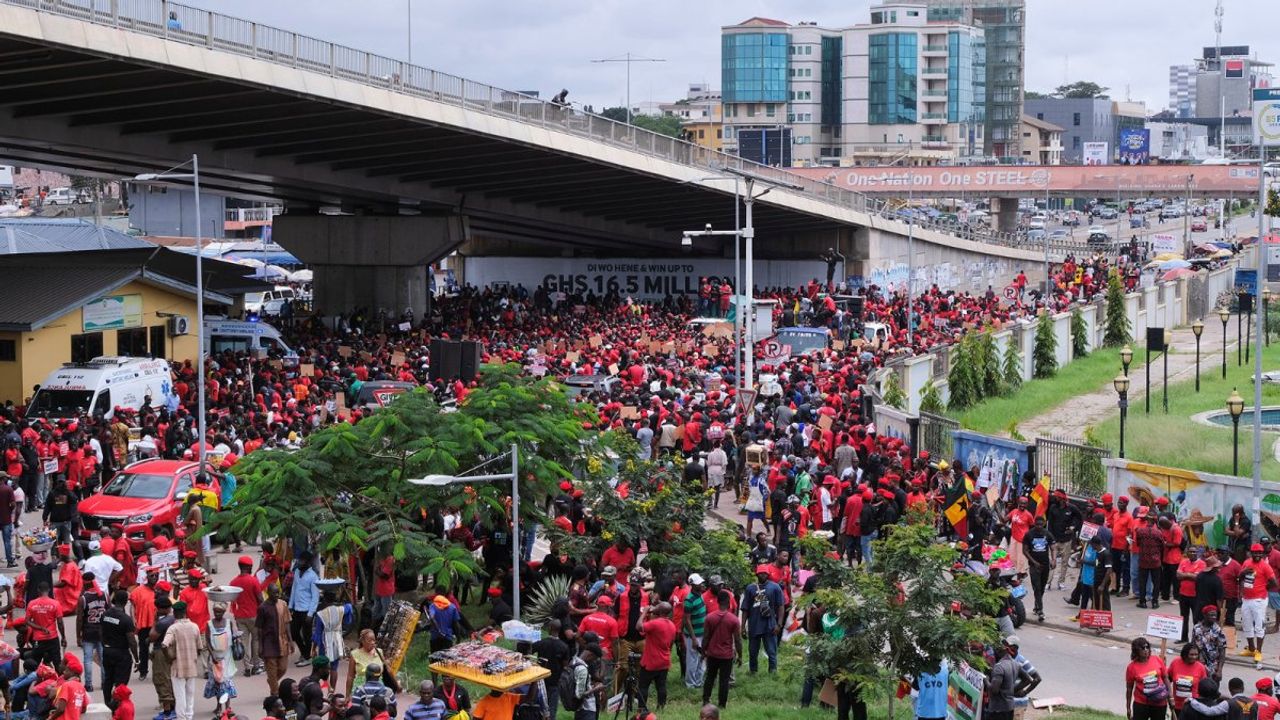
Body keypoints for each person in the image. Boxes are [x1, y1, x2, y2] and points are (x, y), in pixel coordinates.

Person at [162, 601, 204, 720]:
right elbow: (200, 648)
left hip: (177, 667)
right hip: (191, 666)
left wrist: (169, 657)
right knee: (190, 694)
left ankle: (181, 718)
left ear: (175, 613)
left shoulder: (173, 628)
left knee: (180, 696)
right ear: (185, 612)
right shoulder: (194, 626)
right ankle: (189, 716)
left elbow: (164, 645)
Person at [700, 588, 741, 709]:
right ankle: (722, 704)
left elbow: (706, 637)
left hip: (712, 654)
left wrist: (703, 652)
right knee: (724, 681)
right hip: (726, 655)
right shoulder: (733, 619)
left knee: (710, 678)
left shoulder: (709, 617)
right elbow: (738, 640)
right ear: (729, 602)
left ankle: (706, 700)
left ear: (717, 601)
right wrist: (740, 655)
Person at [741, 565, 784, 674]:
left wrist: (779, 624)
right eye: (761, 573)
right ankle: (753, 671)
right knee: (752, 651)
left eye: (765, 573)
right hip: (754, 624)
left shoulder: (775, 587)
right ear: (757, 574)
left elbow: (781, 606)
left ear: (768, 574)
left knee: (771, 650)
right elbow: (745, 609)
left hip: (770, 625)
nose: (763, 575)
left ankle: (773, 671)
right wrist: (742, 627)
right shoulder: (750, 588)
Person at [100, 589, 137, 706]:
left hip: (107, 651)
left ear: (114, 600)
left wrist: (104, 646)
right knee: (121, 682)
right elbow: (132, 641)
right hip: (121, 653)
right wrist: (137, 658)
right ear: (126, 602)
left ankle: (107, 702)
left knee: (108, 679)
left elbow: (101, 632)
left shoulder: (105, 615)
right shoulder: (126, 620)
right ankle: (117, 705)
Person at [636, 602, 676, 712]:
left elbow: (639, 627)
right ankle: (661, 707)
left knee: (643, 686)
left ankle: (642, 708)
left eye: (658, 607)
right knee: (661, 685)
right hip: (664, 660)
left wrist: (644, 613)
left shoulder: (655, 623)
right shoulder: (672, 625)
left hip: (651, 660)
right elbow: (671, 644)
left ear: (661, 611)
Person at [1241, 543, 1275, 668]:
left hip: (1259, 600)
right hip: (1246, 599)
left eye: (1259, 553)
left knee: (1259, 626)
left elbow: (1274, 582)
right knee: (1247, 624)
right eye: (1255, 552)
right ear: (1251, 552)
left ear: (1262, 554)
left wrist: (1265, 589)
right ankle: (1251, 649)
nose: (1257, 554)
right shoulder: (1246, 563)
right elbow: (1240, 577)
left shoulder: (1265, 566)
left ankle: (1259, 652)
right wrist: (1244, 572)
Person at [229, 555, 263, 675]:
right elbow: (260, 598)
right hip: (254, 615)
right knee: (256, 640)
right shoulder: (253, 580)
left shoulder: (233, 582)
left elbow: (232, 600)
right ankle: (256, 665)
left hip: (240, 616)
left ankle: (247, 667)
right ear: (248, 567)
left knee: (244, 642)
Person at [76, 571, 107, 694]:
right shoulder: (104, 595)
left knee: (88, 659)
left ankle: (88, 685)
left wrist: (78, 636)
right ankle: (105, 683)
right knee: (103, 658)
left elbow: (79, 619)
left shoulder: (83, 599)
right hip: (102, 632)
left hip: (88, 632)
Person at [258, 582, 291, 695]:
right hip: (269, 643)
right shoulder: (263, 607)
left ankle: (272, 681)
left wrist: (291, 641)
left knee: (282, 668)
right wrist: (260, 646)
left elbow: (287, 623)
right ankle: (275, 693)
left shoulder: (283, 604)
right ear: (268, 593)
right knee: (271, 670)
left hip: (282, 641)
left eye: (278, 593)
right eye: (274, 593)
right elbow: (260, 629)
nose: (277, 595)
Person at [1124, 637, 1169, 720]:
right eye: (1142, 648)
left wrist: (1171, 698)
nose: (1146, 650)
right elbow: (1129, 688)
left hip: (1159, 703)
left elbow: (1166, 678)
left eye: (1147, 647)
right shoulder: (1131, 667)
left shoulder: (1157, 660)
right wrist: (1128, 707)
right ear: (1136, 650)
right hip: (1141, 703)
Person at [205, 603, 239, 707]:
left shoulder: (229, 623)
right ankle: (219, 706)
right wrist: (212, 655)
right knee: (217, 683)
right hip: (215, 657)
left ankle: (227, 707)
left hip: (227, 657)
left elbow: (234, 636)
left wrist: (237, 638)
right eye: (215, 611)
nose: (217, 614)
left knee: (226, 683)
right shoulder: (209, 624)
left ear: (224, 612)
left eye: (219, 612)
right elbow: (207, 641)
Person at [289, 552, 320, 666]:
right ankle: (304, 653)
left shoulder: (313, 576)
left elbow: (315, 596)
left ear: (308, 562)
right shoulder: (297, 572)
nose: (299, 562)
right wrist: (290, 606)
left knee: (307, 635)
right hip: (296, 608)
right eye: (299, 560)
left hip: (307, 610)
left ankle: (307, 657)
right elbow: (294, 589)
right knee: (294, 633)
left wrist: (310, 614)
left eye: (302, 561)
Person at [26, 581, 66, 669]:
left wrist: (40, 627)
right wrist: (63, 637)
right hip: (52, 638)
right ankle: (59, 681)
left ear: (38, 590)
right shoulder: (55, 604)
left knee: (34, 664)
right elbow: (60, 623)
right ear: (48, 590)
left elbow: (27, 621)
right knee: (57, 663)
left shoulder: (31, 604)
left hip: (37, 639)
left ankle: (35, 681)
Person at [1022, 514, 1054, 622]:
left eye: (1041, 524)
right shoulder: (1029, 534)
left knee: (1042, 586)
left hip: (1045, 565)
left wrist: (1053, 559)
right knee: (1037, 587)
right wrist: (1034, 562)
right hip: (1034, 566)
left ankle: (1036, 606)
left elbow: (1052, 548)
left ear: (1044, 524)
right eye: (1037, 524)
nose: (1039, 526)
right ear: (1034, 524)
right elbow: (1025, 551)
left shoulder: (1048, 534)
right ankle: (1040, 610)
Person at [149, 596, 176, 720]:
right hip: (171, 650)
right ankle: (172, 709)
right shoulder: (173, 619)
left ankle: (167, 712)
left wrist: (155, 621)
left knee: (161, 679)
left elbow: (152, 637)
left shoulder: (162, 622)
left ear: (162, 609)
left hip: (161, 651)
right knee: (169, 679)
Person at [1167, 643, 1209, 716]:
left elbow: (1204, 688)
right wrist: (1170, 697)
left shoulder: (1201, 667)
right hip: (1176, 705)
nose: (1194, 657)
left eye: (1196, 654)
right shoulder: (1175, 662)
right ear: (1185, 654)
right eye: (1191, 654)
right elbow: (1167, 680)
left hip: (1194, 706)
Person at [1191, 606, 1228, 682]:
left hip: (1213, 666)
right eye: (1211, 615)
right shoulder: (1196, 628)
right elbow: (1192, 645)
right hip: (1198, 664)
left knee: (1212, 688)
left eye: (1215, 615)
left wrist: (1219, 670)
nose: (1214, 617)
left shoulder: (1218, 630)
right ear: (1204, 615)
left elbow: (1222, 651)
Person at [48, 654, 88, 720]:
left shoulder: (66, 685)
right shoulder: (81, 687)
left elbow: (61, 709)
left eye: (66, 670)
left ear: (73, 673)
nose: (64, 672)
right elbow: (84, 709)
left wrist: (51, 718)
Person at [985, 643, 1019, 720]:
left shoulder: (999, 667)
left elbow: (994, 690)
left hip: (997, 709)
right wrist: (1014, 690)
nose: (995, 653)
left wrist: (986, 680)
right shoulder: (1016, 664)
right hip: (1009, 707)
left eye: (997, 650)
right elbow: (1027, 679)